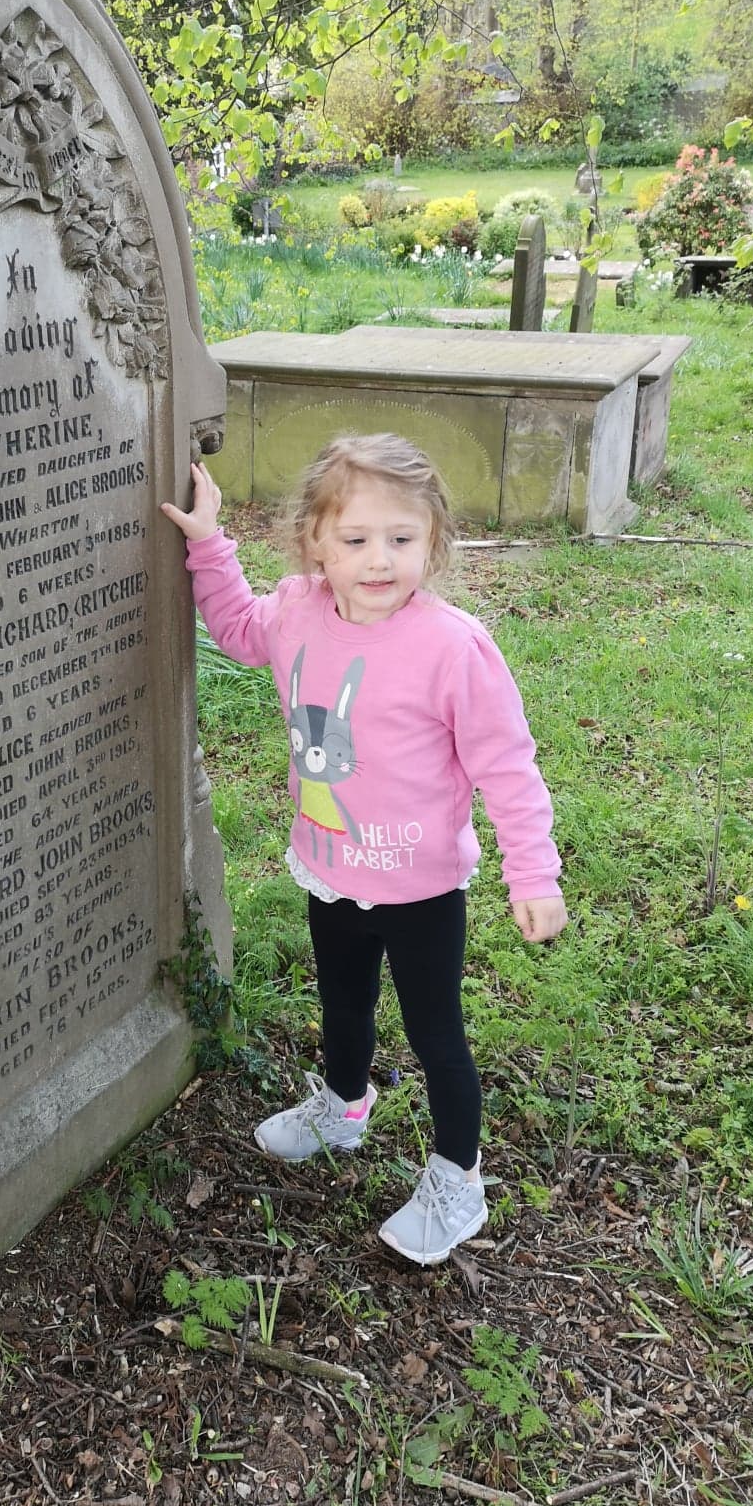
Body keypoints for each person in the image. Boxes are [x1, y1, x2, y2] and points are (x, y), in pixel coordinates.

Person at [160, 433, 567, 1265]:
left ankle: (458, 1175)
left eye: (401, 539)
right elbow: (237, 627)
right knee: (342, 1005)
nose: (379, 560)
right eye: (355, 540)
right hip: (334, 871)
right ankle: (343, 1104)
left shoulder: (453, 648)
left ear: (434, 541)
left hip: (422, 892)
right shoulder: (298, 612)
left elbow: (506, 765)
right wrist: (207, 544)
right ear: (314, 542)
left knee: (434, 1033)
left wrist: (534, 871)